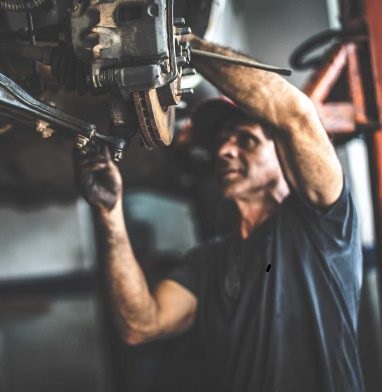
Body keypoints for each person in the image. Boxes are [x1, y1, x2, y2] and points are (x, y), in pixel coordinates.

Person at [74, 34, 364, 391]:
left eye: (246, 139)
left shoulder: (322, 226)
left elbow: (296, 115)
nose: (225, 150)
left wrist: (178, 42)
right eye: (220, 142)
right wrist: (110, 212)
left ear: (284, 155)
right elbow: (141, 324)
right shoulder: (206, 263)